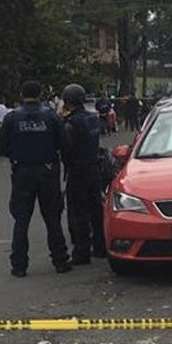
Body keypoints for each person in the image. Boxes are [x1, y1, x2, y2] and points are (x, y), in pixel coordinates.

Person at [0, 80, 72, 277]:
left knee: (21, 221)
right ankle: (60, 261)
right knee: (52, 218)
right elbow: (65, 143)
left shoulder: (13, 118)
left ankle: (19, 265)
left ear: (21, 94)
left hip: (22, 171)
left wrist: (17, 155)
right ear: (41, 94)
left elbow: (0, 145)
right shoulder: (51, 116)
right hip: (47, 170)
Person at [60, 84, 106, 265]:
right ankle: (101, 246)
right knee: (96, 210)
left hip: (77, 171)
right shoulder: (92, 118)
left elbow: (66, 146)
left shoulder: (71, 123)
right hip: (93, 169)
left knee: (78, 213)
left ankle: (82, 251)